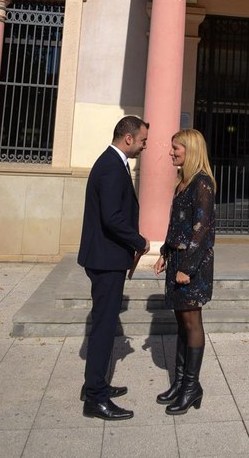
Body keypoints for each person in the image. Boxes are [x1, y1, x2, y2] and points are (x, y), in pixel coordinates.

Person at [77, 115, 150, 421]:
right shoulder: (110, 165)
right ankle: (95, 398)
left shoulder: (114, 163)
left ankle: (94, 385)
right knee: (104, 328)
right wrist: (140, 241)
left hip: (107, 258)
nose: (144, 146)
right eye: (143, 140)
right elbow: (112, 218)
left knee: (104, 325)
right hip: (106, 260)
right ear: (128, 138)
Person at [154, 128, 216, 415]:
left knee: (192, 322)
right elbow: (176, 225)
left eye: (176, 148)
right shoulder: (183, 182)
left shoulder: (202, 183)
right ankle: (180, 383)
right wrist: (164, 253)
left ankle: (191, 387)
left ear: (190, 151)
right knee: (181, 322)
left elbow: (201, 230)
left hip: (193, 266)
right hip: (177, 261)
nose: (171, 152)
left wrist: (187, 268)